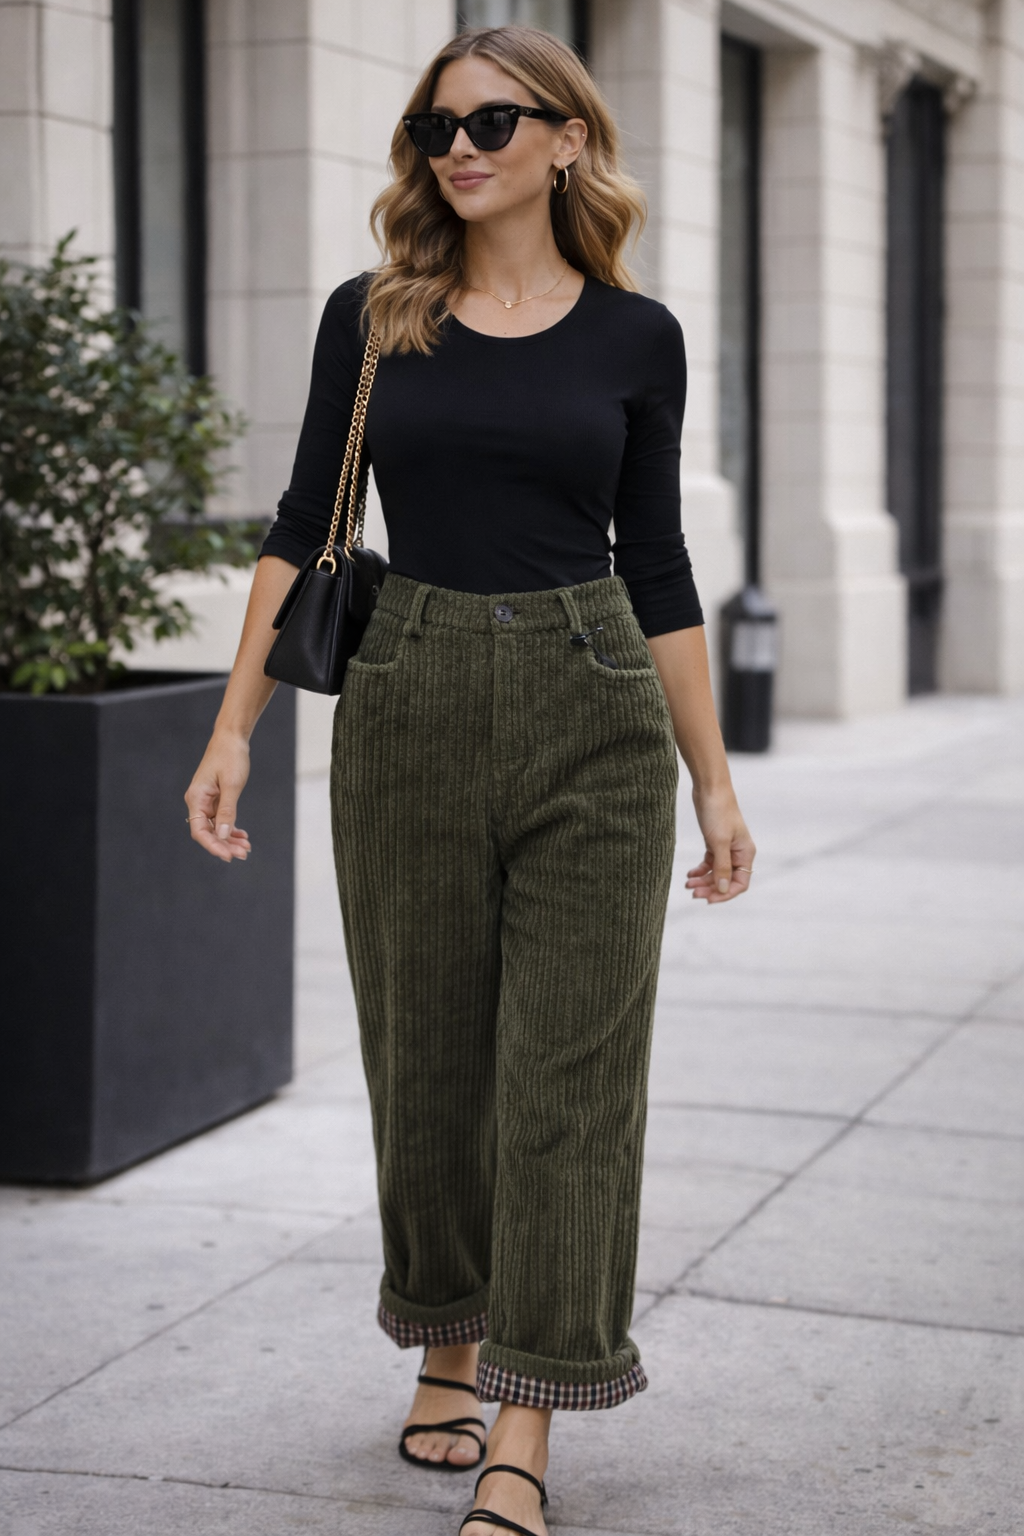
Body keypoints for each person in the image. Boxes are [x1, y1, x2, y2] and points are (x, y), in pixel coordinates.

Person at [185, 24, 755, 1536]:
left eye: (498, 119)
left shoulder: (641, 339)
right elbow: (307, 523)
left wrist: (714, 783)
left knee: (572, 1082)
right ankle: (443, 1337)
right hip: (408, 693)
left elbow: (663, 564)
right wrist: (235, 722)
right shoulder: (375, 317)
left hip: (594, 706)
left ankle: (528, 1426)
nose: (463, 145)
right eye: (442, 122)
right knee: (425, 1055)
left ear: (570, 138)